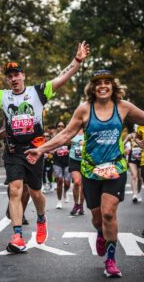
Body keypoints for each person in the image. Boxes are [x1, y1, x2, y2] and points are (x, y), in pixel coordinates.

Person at [0, 41, 90, 253]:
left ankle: (41, 218)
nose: (14, 79)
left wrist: (78, 60)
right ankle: (17, 235)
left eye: (17, 75)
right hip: (14, 151)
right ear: (7, 80)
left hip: (35, 150)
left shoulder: (39, 92)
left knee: (36, 193)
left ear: (23, 76)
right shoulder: (2, 96)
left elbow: (63, 76)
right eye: (10, 76)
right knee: (15, 190)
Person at [25, 69, 144, 277]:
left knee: (109, 212)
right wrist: (41, 149)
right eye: (99, 83)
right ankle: (100, 232)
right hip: (90, 170)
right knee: (97, 218)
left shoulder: (123, 107)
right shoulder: (84, 109)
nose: (103, 86)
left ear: (113, 86)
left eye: (107, 82)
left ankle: (111, 260)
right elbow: (65, 135)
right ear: (93, 88)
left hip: (115, 167)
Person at [53, 121, 71, 209]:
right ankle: (59, 201)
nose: (61, 128)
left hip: (67, 162)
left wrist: (69, 150)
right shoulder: (54, 137)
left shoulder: (69, 137)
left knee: (67, 183)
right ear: (56, 127)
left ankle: (65, 192)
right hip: (57, 162)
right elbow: (49, 147)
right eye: (59, 126)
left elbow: (74, 148)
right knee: (59, 181)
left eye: (62, 126)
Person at [124, 129, 142, 203]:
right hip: (132, 157)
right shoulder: (130, 135)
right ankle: (134, 195)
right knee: (134, 176)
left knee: (140, 178)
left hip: (141, 157)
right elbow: (122, 143)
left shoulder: (142, 134)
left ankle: (138, 192)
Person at [69, 128, 84, 215]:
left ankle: (81, 205)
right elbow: (65, 140)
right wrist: (69, 141)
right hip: (74, 159)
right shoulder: (72, 129)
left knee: (83, 185)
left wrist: (84, 143)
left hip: (85, 160)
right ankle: (76, 204)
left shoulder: (88, 129)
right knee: (77, 182)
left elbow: (94, 142)